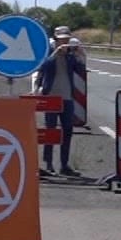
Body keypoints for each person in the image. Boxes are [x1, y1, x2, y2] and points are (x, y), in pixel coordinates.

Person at [36, 28, 86, 176]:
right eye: (62, 40)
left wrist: (80, 56)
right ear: (56, 40)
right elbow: (43, 67)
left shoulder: (70, 56)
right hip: (51, 97)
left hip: (67, 98)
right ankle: (48, 164)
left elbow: (80, 70)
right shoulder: (49, 53)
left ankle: (64, 165)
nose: (64, 42)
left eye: (67, 40)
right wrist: (55, 54)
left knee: (68, 131)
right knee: (50, 131)